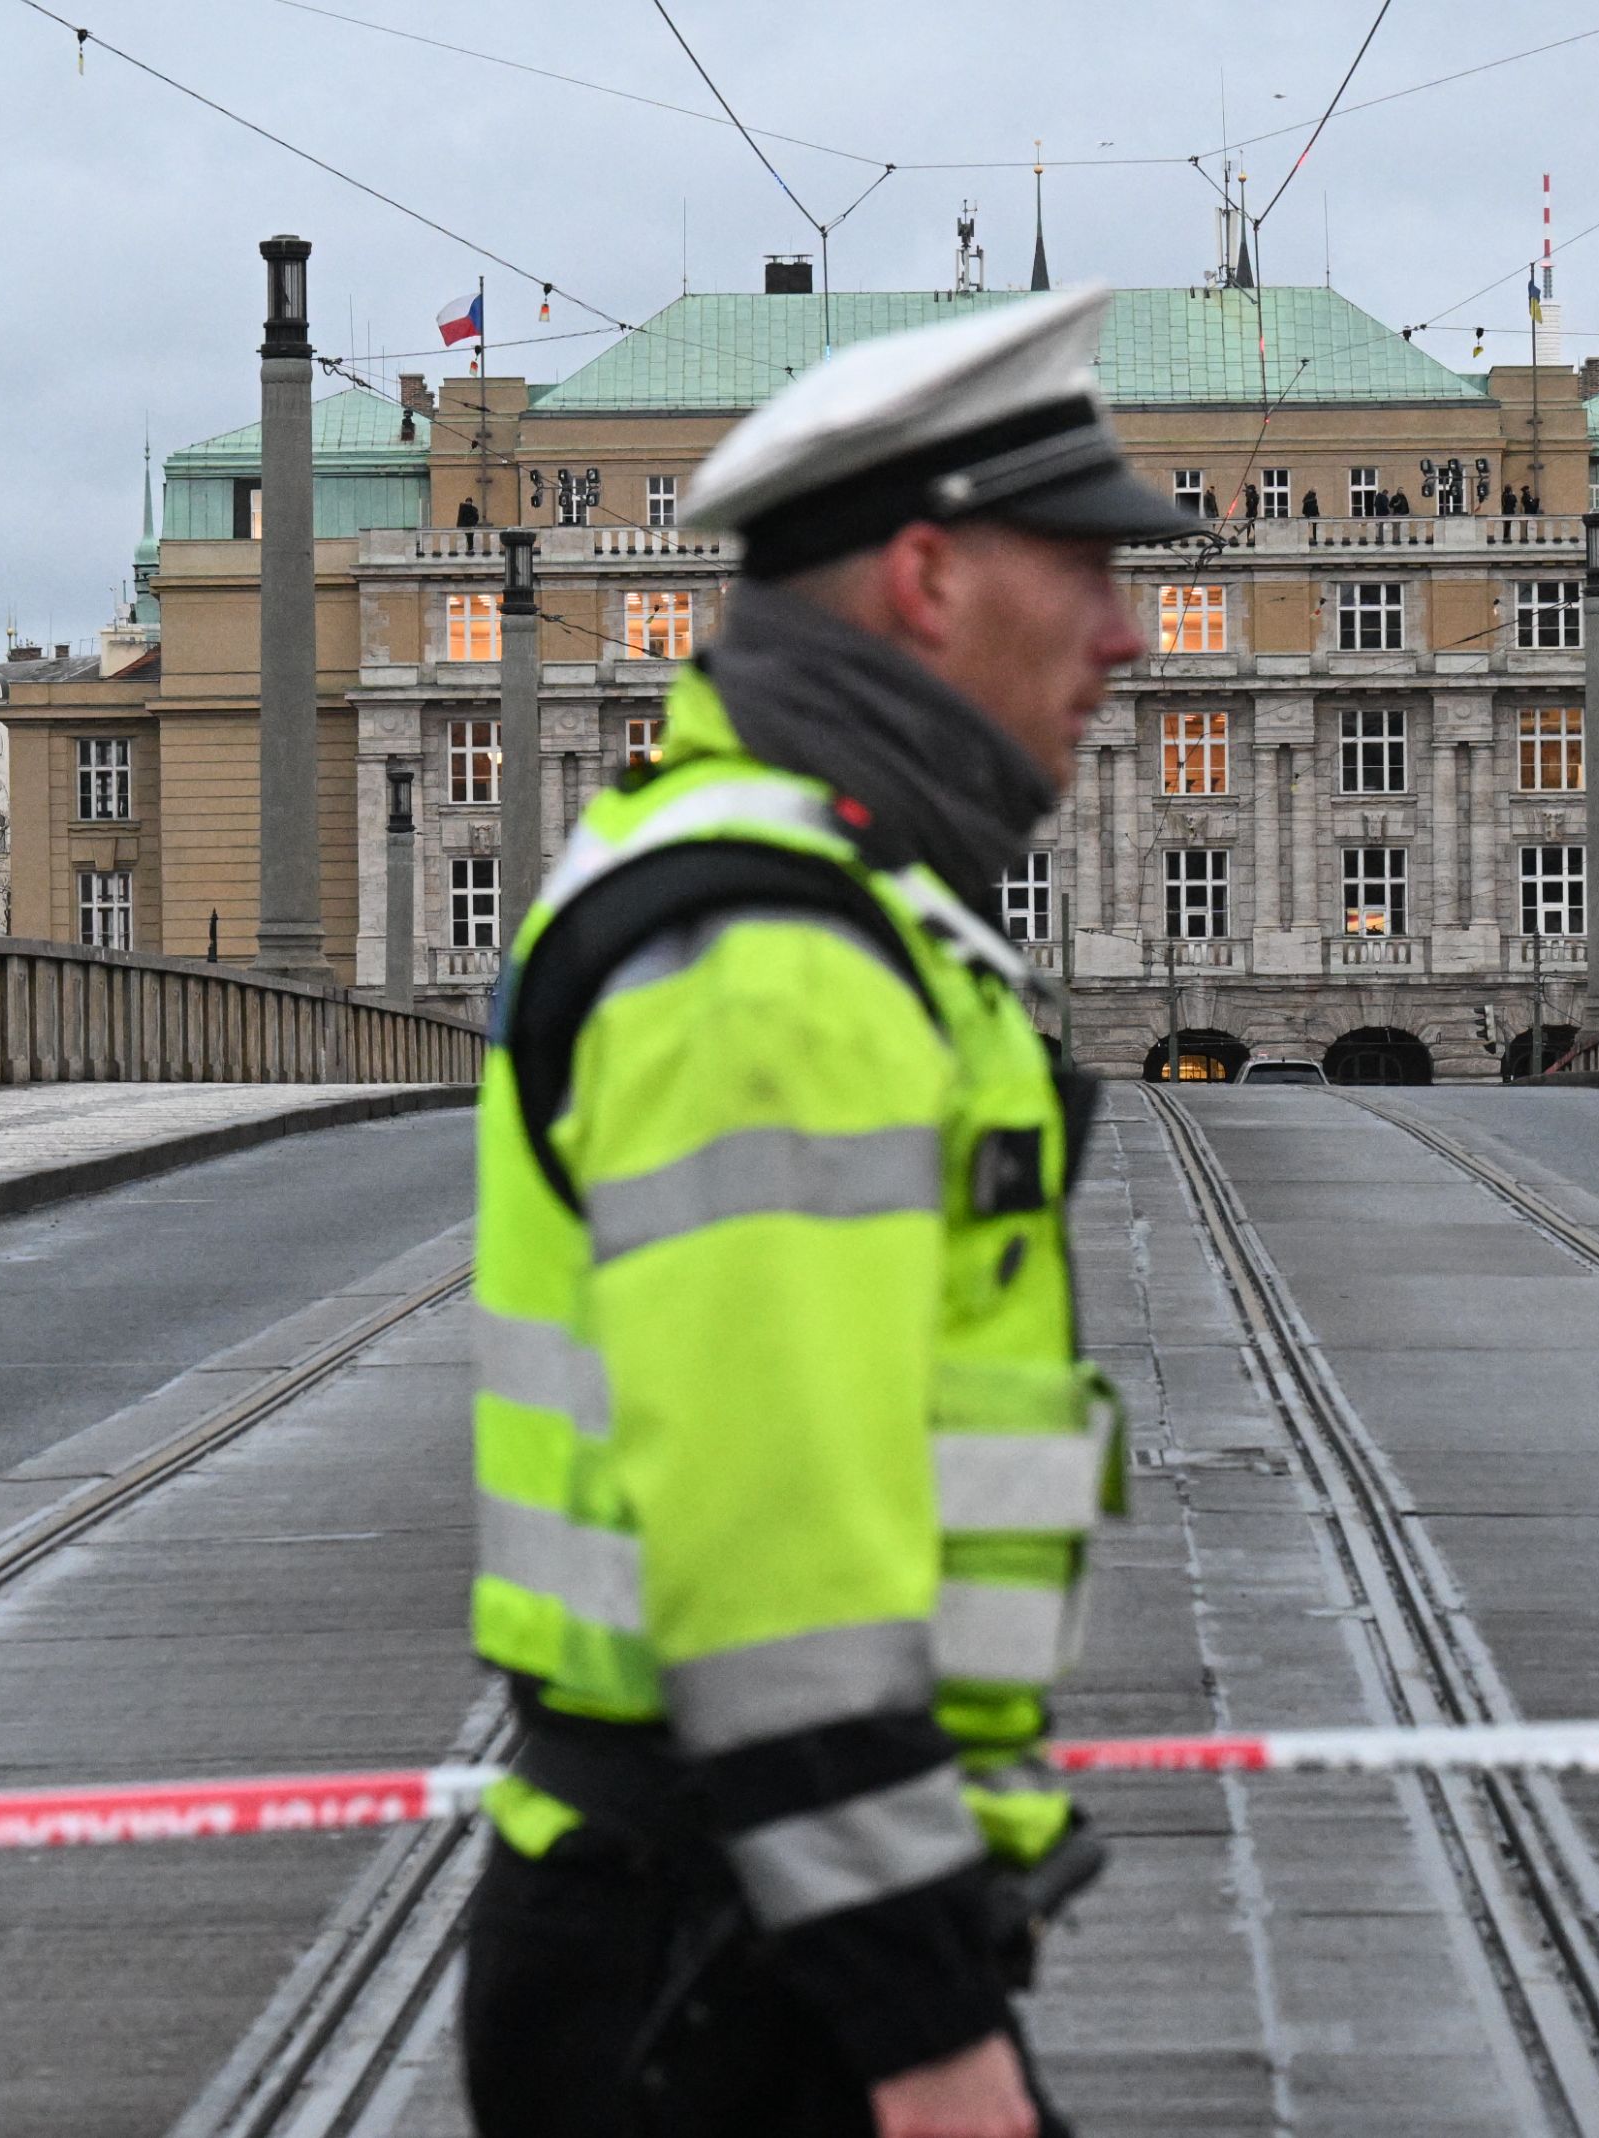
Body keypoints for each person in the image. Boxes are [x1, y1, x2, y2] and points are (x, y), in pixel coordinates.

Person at [459, 286, 1188, 2138]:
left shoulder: (817, 885)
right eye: (1088, 570)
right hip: (734, 1958)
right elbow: (778, 1568)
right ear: (929, 579)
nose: (1130, 632)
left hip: (758, 1921)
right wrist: (930, 2043)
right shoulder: (776, 960)